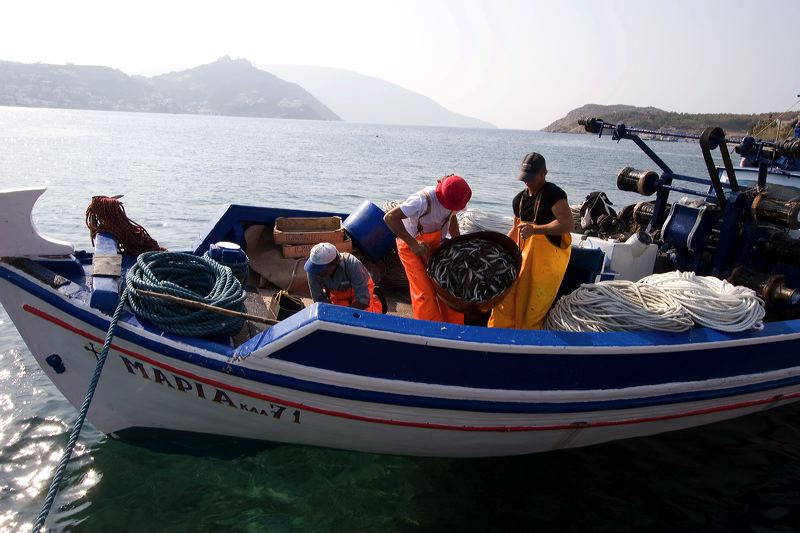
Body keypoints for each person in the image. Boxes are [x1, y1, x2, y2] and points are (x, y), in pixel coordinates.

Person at [488, 152, 573, 329]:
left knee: (530, 316)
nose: (527, 182)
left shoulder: (554, 195)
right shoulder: (519, 200)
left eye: (532, 178)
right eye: (525, 178)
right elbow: (516, 230)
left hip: (544, 272)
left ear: (544, 173)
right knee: (503, 306)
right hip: (520, 265)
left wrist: (535, 230)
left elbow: (567, 224)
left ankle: (527, 344)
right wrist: (496, 248)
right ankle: (497, 340)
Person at [383, 174, 471, 323]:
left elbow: (452, 217)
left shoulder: (456, 200)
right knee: (424, 293)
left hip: (435, 244)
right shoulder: (422, 201)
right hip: (410, 247)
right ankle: (428, 328)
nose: (453, 209)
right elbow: (390, 218)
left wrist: (458, 242)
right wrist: (413, 244)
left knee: (447, 287)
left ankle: (452, 327)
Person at [304, 242, 384, 313]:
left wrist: (342, 314)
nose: (317, 272)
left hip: (360, 291)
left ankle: (376, 299)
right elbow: (319, 300)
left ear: (333, 264)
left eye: (320, 269)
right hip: (338, 295)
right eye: (315, 268)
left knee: (364, 316)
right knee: (334, 316)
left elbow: (363, 301)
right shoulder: (312, 270)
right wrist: (331, 314)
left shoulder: (353, 264)